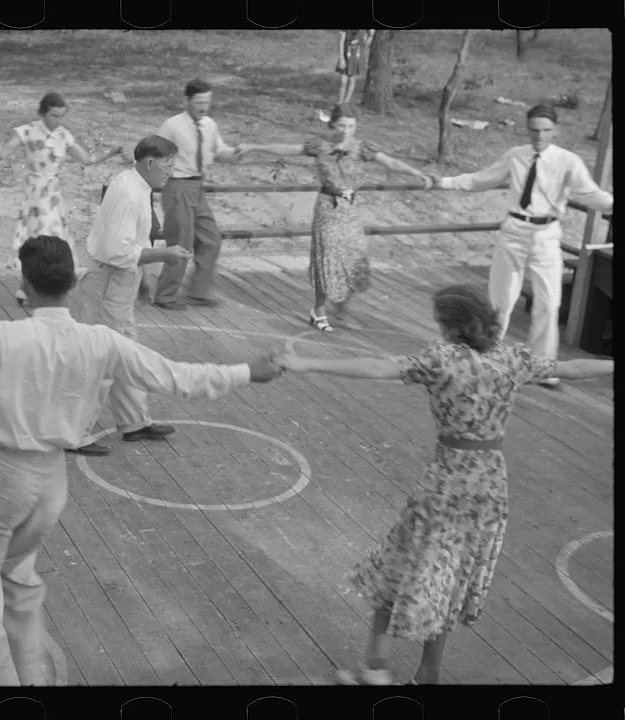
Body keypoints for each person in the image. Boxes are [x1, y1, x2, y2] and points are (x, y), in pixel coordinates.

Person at [0, 234, 283, 685]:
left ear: (24, 284)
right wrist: (249, 371)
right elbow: (177, 377)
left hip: (5, 475)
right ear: (72, 282)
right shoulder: (99, 341)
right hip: (52, 481)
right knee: (22, 582)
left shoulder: (5, 336)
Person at [276, 284, 614, 685]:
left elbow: (377, 368)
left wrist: (309, 364)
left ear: (451, 326)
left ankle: (377, 666)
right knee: (451, 579)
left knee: (399, 560)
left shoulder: (441, 360)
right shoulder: (511, 358)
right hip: (490, 484)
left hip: (447, 479)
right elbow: (570, 369)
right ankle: (424, 673)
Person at [432, 103, 614, 388]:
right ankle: (488, 358)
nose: (539, 136)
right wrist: (443, 181)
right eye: (534, 130)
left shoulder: (568, 161)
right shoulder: (516, 156)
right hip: (514, 231)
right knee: (499, 301)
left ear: (556, 130)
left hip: (546, 235)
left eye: (545, 130)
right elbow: (482, 179)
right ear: (527, 129)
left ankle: (542, 368)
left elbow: (591, 194)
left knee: (549, 302)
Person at [240, 104, 432, 331]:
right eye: (341, 125)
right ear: (332, 124)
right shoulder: (320, 146)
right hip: (327, 208)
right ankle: (318, 309)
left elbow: (391, 162)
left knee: (352, 259)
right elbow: (288, 149)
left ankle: (341, 308)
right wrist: (254, 147)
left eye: (351, 126)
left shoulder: (362, 148)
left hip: (349, 211)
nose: (346, 130)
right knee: (328, 259)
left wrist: (417, 173)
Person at [69, 135, 192, 457]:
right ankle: (73, 432)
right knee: (102, 360)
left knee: (127, 355)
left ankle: (134, 421)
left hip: (121, 281)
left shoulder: (134, 184)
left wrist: (143, 278)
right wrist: (163, 255)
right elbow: (117, 251)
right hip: (108, 282)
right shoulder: (127, 193)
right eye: (167, 165)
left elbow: (130, 245)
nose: (170, 171)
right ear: (149, 162)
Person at [0, 91, 126, 313]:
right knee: (39, 241)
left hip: (54, 197)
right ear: (43, 113)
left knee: (52, 241)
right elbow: (1, 154)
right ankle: (34, 287)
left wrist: (111, 153)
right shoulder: (27, 131)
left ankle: (32, 288)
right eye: (54, 115)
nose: (58, 121)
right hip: (35, 196)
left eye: (61, 116)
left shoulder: (63, 135)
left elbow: (86, 159)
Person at [152, 78, 244, 310]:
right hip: (177, 186)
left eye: (208, 102)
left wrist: (235, 153)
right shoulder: (172, 126)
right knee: (181, 242)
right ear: (187, 100)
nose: (204, 107)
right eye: (199, 102)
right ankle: (165, 295)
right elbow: (152, 154)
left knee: (211, 238)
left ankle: (198, 291)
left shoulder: (210, 124)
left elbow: (218, 149)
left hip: (198, 186)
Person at [336, 30, 374, 105]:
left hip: (356, 57)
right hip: (346, 56)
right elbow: (341, 42)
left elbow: (365, 45)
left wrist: (371, 36)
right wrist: (341, 59)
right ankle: (340, 102)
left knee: (352, 80)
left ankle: (346, 102)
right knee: (343, 81)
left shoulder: (363, 31)